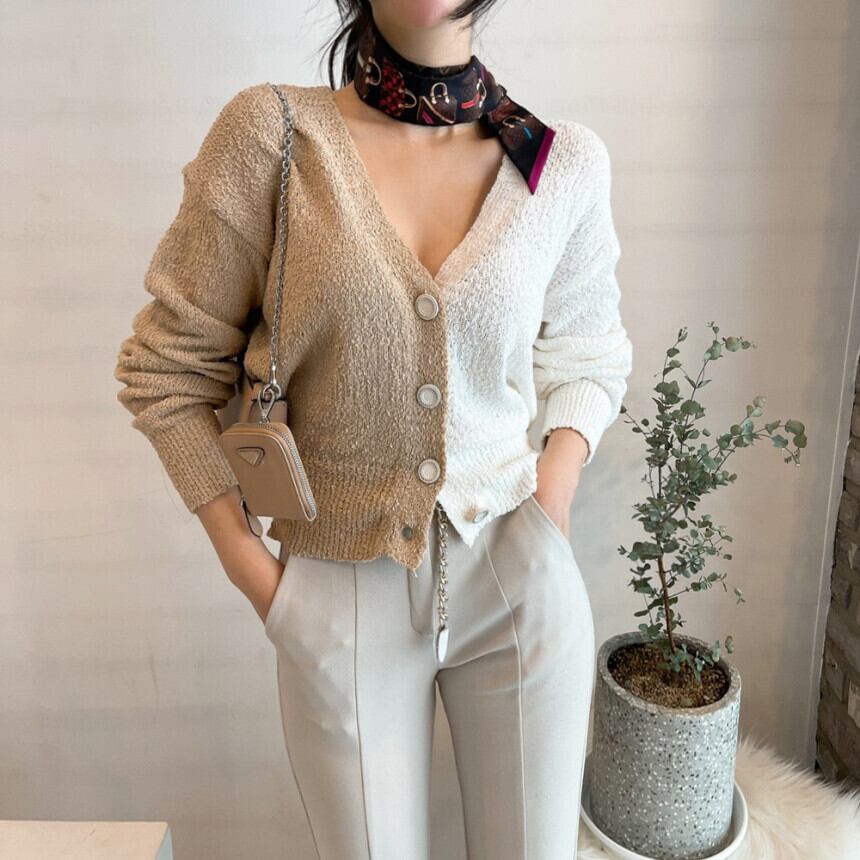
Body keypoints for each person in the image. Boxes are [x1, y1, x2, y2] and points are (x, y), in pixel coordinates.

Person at [114, 1, 633, 857]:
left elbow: (590, 352)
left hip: (516, 574)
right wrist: (264, 583)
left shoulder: (562, 162)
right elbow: (166, 370)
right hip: (338, 590)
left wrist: (552, 503)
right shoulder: (273, 141)